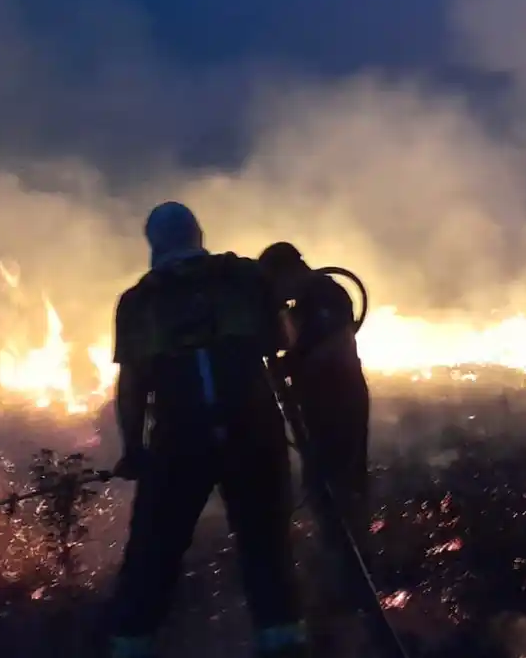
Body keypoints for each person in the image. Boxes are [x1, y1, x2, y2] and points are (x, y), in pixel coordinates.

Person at [108, 202, 308, 658]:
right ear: (198, 235)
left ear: (154, 245)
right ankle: (284, 646)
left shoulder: (141, 300)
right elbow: (282, 341)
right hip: (254, 432)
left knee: (153, 556)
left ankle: (131, 646)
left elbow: (134, 383)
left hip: (180, 440)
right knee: (267, 548)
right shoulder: (243, 279)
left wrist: (133, 448)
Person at [256, 241, 370, 532]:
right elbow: (293, 343)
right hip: (319, 403)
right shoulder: (303, 303)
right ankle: (339, 541)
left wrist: (289, 366)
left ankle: (351, 545)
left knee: (337, 480)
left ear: (287, 272)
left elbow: (334, 344)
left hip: (340, 402)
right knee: (320, 478)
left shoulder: (326, 294)